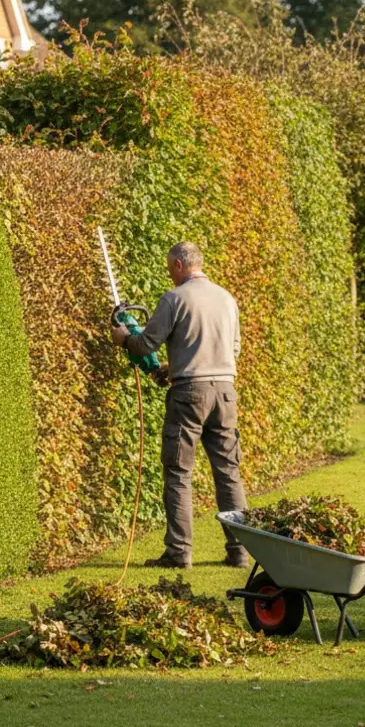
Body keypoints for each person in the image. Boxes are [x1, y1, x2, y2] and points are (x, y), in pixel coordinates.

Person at [111, 242, 248, 569]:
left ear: (178, 265)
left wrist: (123, 339)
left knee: (178, 472)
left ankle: (178, 553)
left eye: (169, 267)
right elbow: (234, 349)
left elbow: (147, 343)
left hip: (188, 395)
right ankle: (240, 551)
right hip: (225, 393)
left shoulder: (174, 298)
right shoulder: (227, 298)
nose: (169, 273)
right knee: (228, 473)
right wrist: (179, 367)